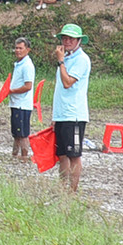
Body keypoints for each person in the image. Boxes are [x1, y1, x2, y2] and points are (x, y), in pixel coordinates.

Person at [51, 23, 91, 192]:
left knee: (74, 154)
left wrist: (60, 62)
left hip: (74, 115)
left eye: (71, 39)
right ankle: (62, 188)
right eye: (64, 38)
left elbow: (68, 83)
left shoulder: (81, 59)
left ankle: (72, 191)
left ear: (78, 41)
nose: (67, 42)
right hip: (62, 114)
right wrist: (54, 117)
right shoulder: (67, 58)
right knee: (62, 155)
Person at [8, 37, 35, 160]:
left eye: (21, 48)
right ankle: (14, 155)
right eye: (16, 48)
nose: (18, 51)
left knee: (23, 133)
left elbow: (28, 86)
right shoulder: (19, 64)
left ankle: (24, 156)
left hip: (22, 104)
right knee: (16, 133)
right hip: (15, 103)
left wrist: (12, 91)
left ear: (27, 50)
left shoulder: (27, 65)